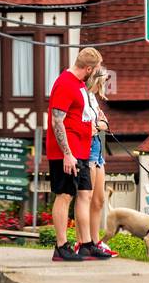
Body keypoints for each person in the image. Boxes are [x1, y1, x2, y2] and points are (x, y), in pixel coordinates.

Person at [46, 47, 109, 261]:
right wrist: (67, 153)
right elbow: (57, 120)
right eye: (96, 69)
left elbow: (82, 115)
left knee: (84, 195)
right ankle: (61, 246)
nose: (97, 74)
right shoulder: (65, 83)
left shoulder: (80, 84)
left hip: (82, 149)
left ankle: (87, 244)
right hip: (67, 152)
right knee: (64, 195)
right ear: (89, 68)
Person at [84, 65, 118, 257]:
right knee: (86, 198)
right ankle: (86, 241)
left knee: (99, 199)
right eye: (102, 81)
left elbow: (104, 124)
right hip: (88, 147)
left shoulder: (94, 100)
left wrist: (97, 125)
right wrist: (97, 124)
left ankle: (96, 241)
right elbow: (92, 125)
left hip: (97, 147)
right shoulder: (82, 96)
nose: (103, 85)